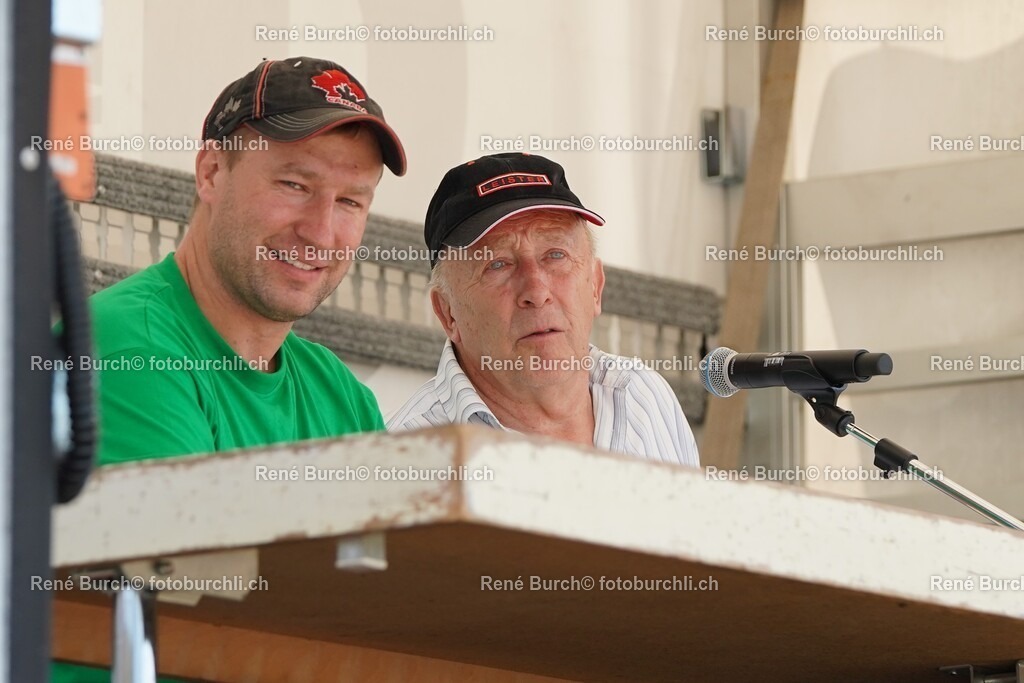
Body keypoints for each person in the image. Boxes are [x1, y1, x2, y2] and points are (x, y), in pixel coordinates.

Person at [53, 56, 405, 682]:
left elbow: (381, 614)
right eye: (294, 185)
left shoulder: (346, 399)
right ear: (211, 171)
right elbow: (197, 602)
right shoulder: (129, 343)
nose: (320, 229)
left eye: (351, 200)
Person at [387, 153, 699, 466]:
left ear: (595, 286)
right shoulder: (406, 457)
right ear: (447, 312)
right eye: (497, 264)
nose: (536, 292)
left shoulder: (644, 396)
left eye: (555, 255)